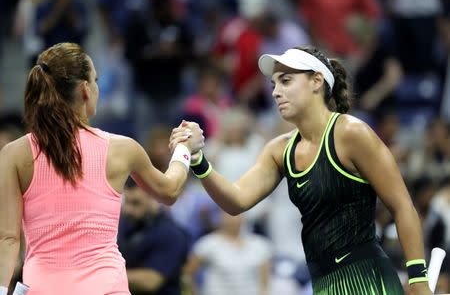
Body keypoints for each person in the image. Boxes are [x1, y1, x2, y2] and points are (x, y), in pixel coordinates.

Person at [170, 46, 433, 294]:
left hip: (367, 280)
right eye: (273, 85)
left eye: (285, 81)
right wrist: (197, 158)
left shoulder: (352, 133)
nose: (275, 92)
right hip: (323, 283)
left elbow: (402, 206)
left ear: (317, 81)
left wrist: (418, 279)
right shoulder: (279, 150)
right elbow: (236, 200)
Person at [0, 42, 204, 295]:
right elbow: (170, 190)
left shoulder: (13, 154)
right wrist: (185, 148)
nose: (96, 87)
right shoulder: (122, 149)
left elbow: (8, 239)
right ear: (86, 89)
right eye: (95, 80)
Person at [118, 179, 189, 295]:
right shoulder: (124, 224)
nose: (128, 210)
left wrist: (104, 275)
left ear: (153, 197)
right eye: (127, 202)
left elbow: (150, 281)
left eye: (136, 203)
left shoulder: (171, 234)